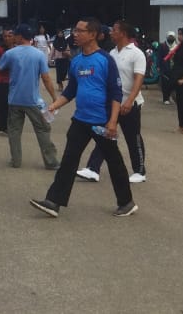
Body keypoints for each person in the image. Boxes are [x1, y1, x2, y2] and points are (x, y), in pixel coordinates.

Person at [30, 18, 137, 218]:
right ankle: (53, 201)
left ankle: (126, 202)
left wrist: (112, 122)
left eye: (80, 31)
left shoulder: (105, 60)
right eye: (75, 31)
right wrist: (53, 106)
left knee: (114, 162)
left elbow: (116, 93)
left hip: (102, 122)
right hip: (80, 120)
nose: (75, 34)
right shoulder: (77, 61)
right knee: (69, 160)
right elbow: (71, 91)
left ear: (93, 34)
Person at [77, 20, 148, 184]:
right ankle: (93, 169)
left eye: (114, 30)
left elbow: (138, 80)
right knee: (105, 135)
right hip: (113, 103)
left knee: (133, 137)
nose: (110, 32)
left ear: (122, 33)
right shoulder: (112, 53)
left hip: (130, 104)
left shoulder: (136, 53)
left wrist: (130, 101)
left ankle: (139, 170)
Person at [0, 24, 59, 169]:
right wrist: (54, 97)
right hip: (33, 100)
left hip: (14, 99)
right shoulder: (38, 55)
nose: (13, 37)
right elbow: (46, 79)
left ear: (20, 37)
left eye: (15, 35)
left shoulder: (11, 54)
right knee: (42, 129)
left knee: (14, 131)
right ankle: (51, 161)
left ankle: (16, 160)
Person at [159, 31, 177, 105]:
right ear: (167, 37)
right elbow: (159, 57)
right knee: (165, 83)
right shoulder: (163, 46)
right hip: (165, 67)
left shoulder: (176, 46)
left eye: (172, 37)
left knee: (172, 83)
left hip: (174, 68)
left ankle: (171, 97)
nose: (171, 38)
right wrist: (158, 66)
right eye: (169, 37)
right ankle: (165, 98)